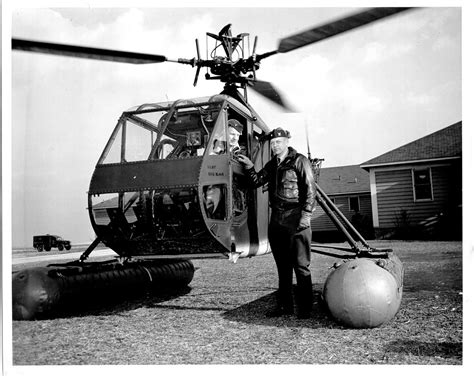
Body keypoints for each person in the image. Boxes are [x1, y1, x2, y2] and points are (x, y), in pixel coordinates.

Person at [236, 127, 316, 319]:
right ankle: (284, 307)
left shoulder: (299, 161)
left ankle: (306, 309)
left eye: (278, 142)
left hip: (296, 218)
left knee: (301, 265)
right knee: (283, 267)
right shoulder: (273, 165)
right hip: (277, 220)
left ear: (287, 142)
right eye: (272, 143)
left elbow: (310, 189)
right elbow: (256, 181)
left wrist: (305, 216)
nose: (275, 146)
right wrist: (248, 166)